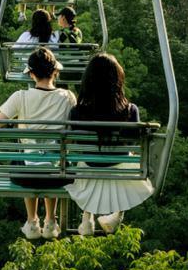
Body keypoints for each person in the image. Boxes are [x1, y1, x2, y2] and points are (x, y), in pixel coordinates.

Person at [0, 46, 76, 239]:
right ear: (55, 72)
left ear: (31, 74)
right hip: (58, 175)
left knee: (26, 157)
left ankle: (32, 220)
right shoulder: (68, 98)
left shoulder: (21, 97)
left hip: (25, 174)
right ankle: (51, 220)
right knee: (54, 158)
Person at [65, 53, 154, 235]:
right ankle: (117, 215)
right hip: (119, 166)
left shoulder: (77, 112)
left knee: (84, 161)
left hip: (89, 166)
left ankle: (87, 217)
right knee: (130, 159)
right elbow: (133, 140)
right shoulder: (130, 110)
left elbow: (74, 140)